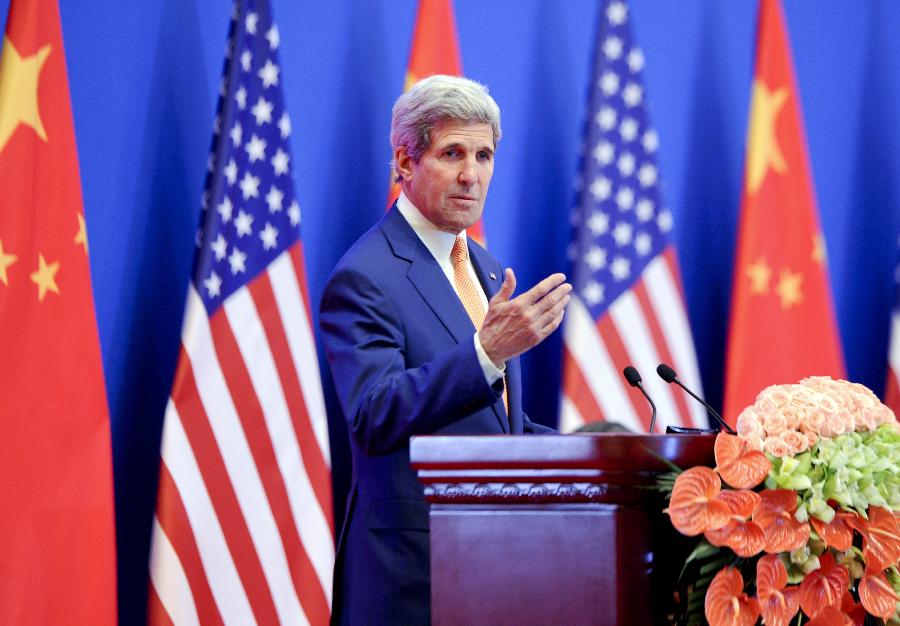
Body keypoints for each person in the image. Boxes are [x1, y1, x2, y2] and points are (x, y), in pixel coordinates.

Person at [319, 74, 571, 625]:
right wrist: (486, 353)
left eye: (484, 156)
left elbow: (495, 426)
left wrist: (604, 453)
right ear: (405, 162)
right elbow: (374, 414)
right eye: (453, 153)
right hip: (411, 580)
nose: (471, 175)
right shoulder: (365, 277)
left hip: (494, 569)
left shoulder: (483, 265)